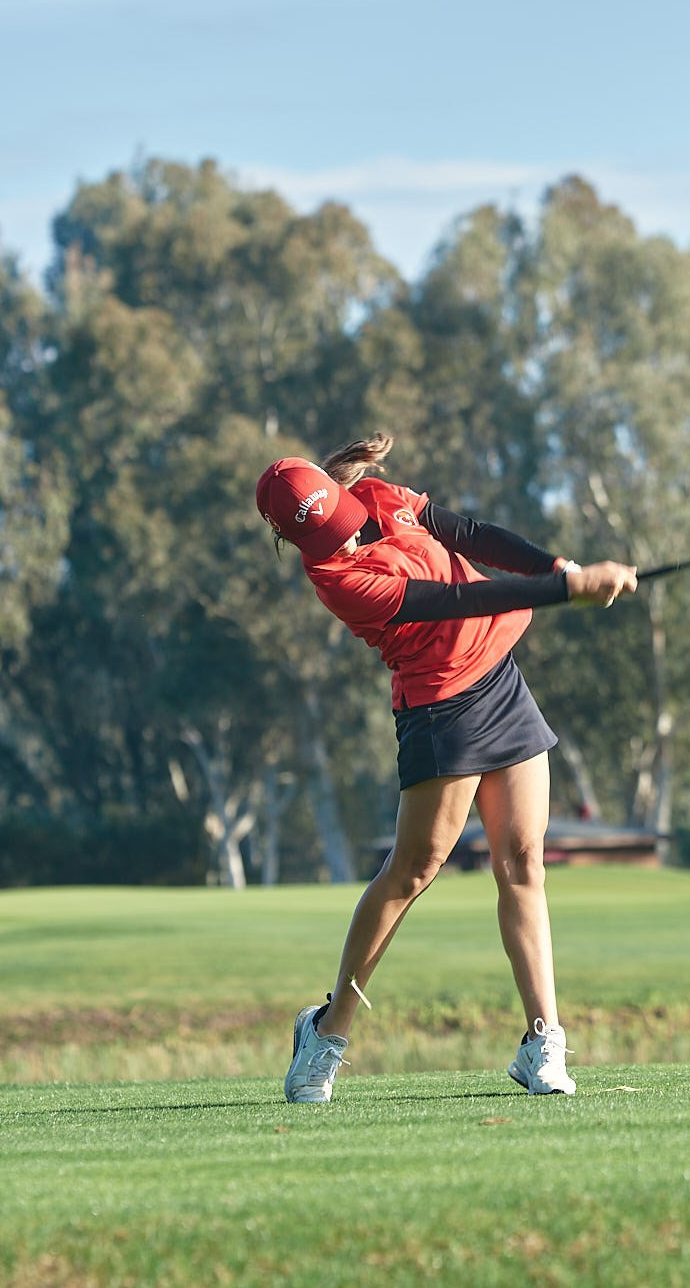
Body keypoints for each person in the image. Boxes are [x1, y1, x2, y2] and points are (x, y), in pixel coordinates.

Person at [254, 433, 637, 1103]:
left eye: (341, 527)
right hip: (440, 711)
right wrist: (565, 589)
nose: (342, 544)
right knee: (412, 872)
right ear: (296, 543)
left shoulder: (378, 495)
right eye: (324, 541)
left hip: (501, 682)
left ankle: (542, 1041)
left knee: (523, 861)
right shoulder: (338, 581)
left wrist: (559, 564)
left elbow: (471, 534)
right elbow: (452, 601)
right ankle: (326, 1032)